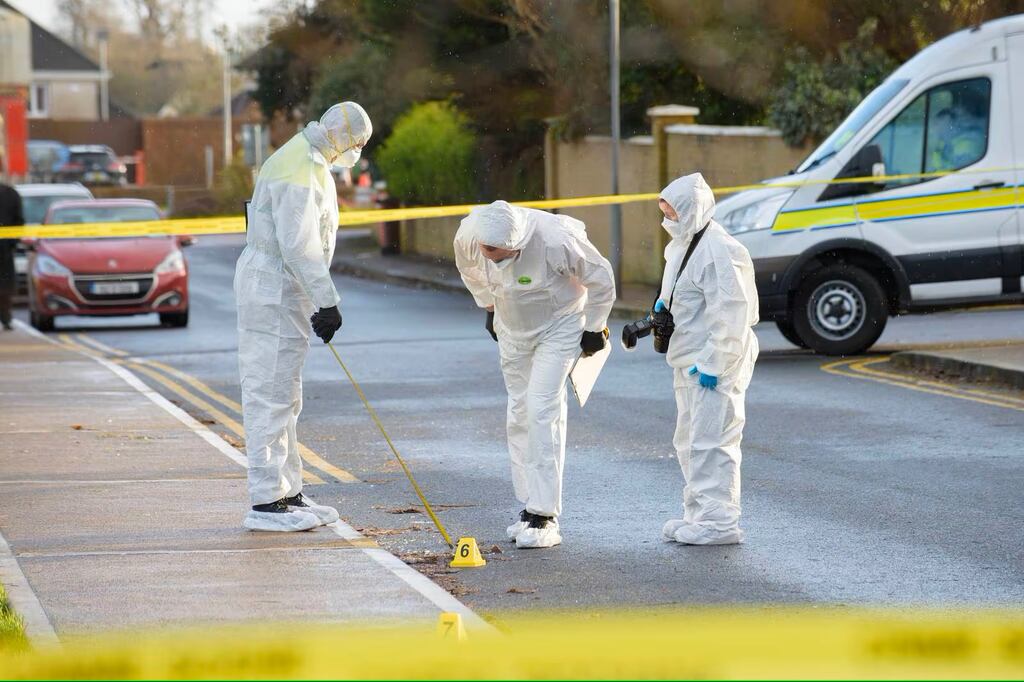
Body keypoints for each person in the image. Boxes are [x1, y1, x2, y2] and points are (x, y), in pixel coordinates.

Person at [234, 102, 372, 531]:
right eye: (358, 144)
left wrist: (315, 297)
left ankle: (288, 492)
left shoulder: (305, 157)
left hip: (281, 287)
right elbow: (299, 245)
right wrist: (326, 301)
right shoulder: (300, 168)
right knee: (269, 395)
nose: (356, 153)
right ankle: (266, 501)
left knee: (286, 396)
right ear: (344, 138)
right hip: (273, 288)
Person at [454, 201, 615, 548]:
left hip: (559, 325)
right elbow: (468, 268)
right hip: (512, 327)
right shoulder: (469, 234)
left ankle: (545, 515)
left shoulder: (557, 240)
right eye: (487, 251)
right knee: (519, 411)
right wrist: (489, 307)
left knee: (542, 408)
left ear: (517, 244)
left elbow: (602, 278)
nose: (491, 257)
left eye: (499, 253)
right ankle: (529, 506)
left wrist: (595, 325)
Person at [655, 173, 758, 546]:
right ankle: (699, 513)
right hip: (689, 357)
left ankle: (720, 522)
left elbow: (732, 310)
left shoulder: (719, 249)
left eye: (672, 211)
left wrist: (715, 362)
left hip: (715, 363)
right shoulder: (682, 245)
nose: (667, 217)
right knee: (689, 441)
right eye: (664, 209)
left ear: (690, 210)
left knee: (713, 441)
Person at [0, 181, 23, 331]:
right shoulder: (10, 193)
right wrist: (13, 242)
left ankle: (6, 318)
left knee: (4, 288)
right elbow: (19, 221)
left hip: (5, 249)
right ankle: (6, 318)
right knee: (4, 288)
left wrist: (12, 243)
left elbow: (19, 221)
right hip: (5, 248)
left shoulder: (10, 194)